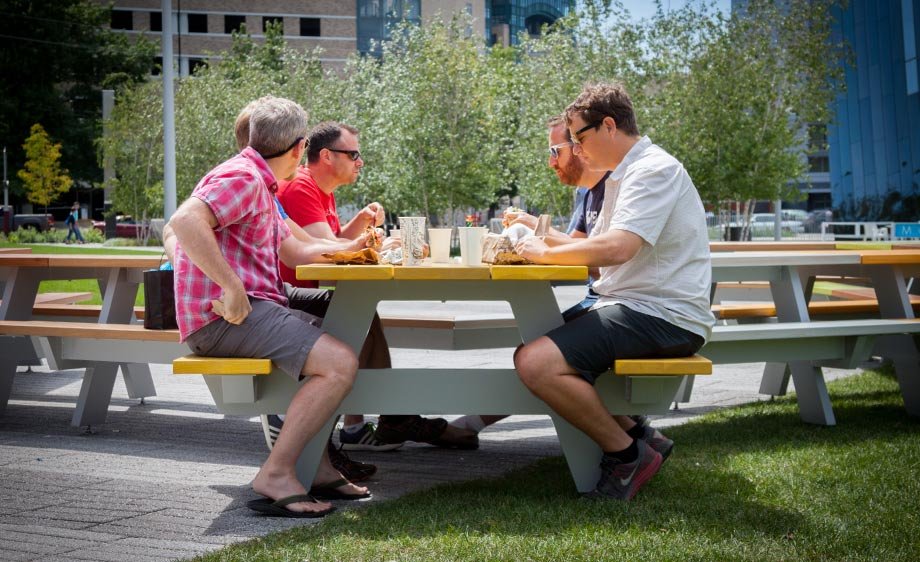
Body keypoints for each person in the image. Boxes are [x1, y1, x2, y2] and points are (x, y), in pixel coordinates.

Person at [168, 96, 369, 517]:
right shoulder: (242, 177)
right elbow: (185, 222)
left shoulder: (261, 180)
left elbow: (293, 252)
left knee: (347, 321)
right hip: (222, 318)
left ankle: (319, 464)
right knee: (338, 363)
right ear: (298, 148)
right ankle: (277, 473)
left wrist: (351, 249)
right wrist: (231, 285)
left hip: (257, 303)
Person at [514, 83, 714, 501]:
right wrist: (532, 239)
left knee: (537, 362)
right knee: (535, 344)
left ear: (608, 125)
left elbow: (618, 248)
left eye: (578, 137)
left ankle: (627, 456)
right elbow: (593, 250)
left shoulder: (652, 171)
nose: (576, 148)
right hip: (634, 305)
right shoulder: (621, 175)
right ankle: (642, 436)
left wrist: (541, 252)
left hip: (664, 314)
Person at [277, 121, 477, 451]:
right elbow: (333, 254)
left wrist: (361, 223)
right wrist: (383, 247)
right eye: (353, 154)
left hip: (310, 292)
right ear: (327, 156)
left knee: (362, 313)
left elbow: (334, 243)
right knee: (359, 315)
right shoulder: (301, 187)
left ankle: (373, 422)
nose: (360, 161)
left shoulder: (320, 193)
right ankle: (386, 419)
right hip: (288, 299)